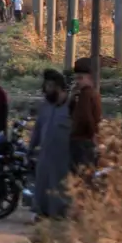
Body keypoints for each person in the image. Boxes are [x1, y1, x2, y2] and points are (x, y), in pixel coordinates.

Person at [30, 69, 73, 220]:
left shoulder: (71, 107)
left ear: (59, 88)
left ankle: (59, 217)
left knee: (59, 187)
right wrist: (31, 148)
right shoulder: (46, 106)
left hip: (63, 157)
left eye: (50, 86)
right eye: (46, 86)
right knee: (42, 185)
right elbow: (38, 128)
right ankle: (41, 214)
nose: (46, 90)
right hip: (45, 154)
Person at [69, 58, 102, 173]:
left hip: (83, 140)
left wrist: (93, 135)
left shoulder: (86, 94)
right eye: (76, 78)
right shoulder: (85, 94)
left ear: (89, 78)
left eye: (80, 78)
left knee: (81, 175)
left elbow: (86, 117)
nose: (78, 82)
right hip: (84, 139)